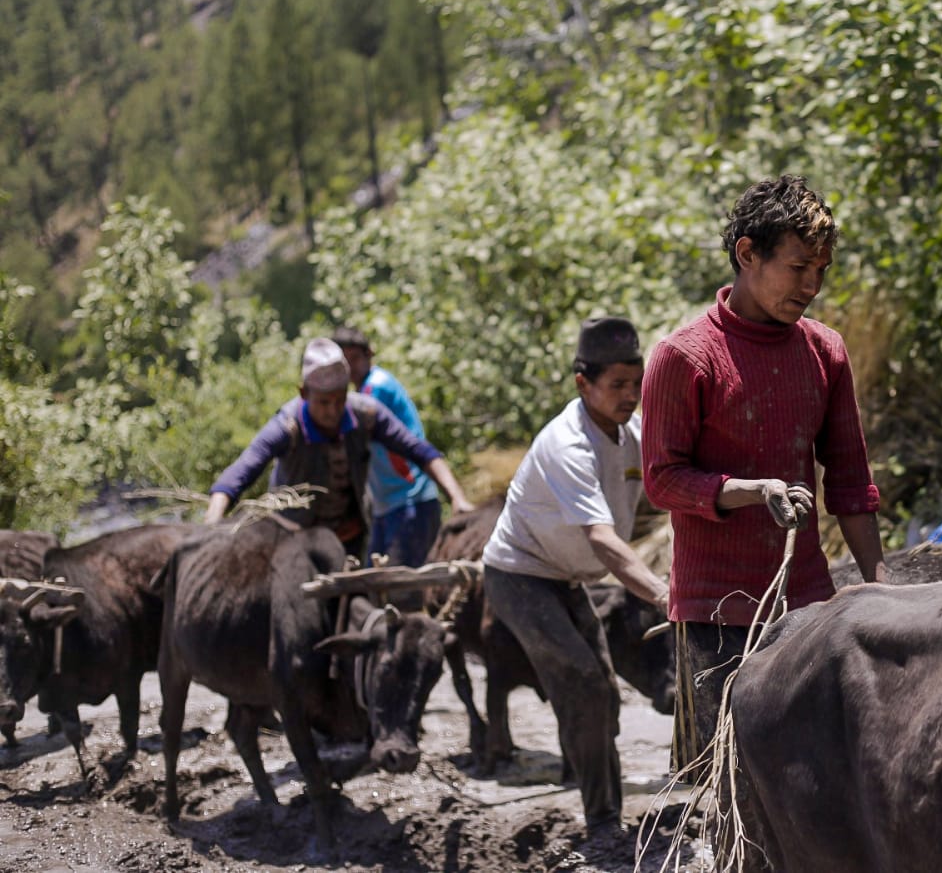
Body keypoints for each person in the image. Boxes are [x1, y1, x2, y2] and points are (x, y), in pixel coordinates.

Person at [640, 174, 889, 777]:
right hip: (717, 615)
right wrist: (749, 492)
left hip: (805, 605)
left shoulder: (824, 351)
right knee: (731, 785)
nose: (812, 286)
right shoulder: (684, 356)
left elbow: (851, 482)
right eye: (799, 266)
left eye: (822, 270)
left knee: (818, 778)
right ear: (748, 254)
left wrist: (882, 589)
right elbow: (663, 478)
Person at [480, 316, 669, 835]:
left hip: (565, 576)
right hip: (518, 575)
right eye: (617, 386)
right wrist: (661, 592)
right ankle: (603, 820)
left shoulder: (631, 432)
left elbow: (668, 484)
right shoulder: (568, 444)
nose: (630, 395)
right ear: (582, 384)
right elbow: (603, 539)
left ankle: (602, 801)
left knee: (604, 692)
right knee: (584, 683)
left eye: (637, 383)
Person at [205, 338, 475, 558]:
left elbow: (420, 452)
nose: (333, 411)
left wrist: (457, 498)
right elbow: (240, 473)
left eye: (340, 399)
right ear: (304, 394)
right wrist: (211, 526)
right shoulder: (286, 427)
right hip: (295, 543)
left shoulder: (365, 414)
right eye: (323, 402)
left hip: (349, 540)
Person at [332, 326, 443, 567]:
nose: (351, 368)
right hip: (388, 505)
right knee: (376, 582)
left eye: (355, 359)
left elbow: (349, 431)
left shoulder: (376, 387)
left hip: (409, 499)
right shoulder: (361, 391)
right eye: (345, 361)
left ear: (369, 354)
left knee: (401, 588)